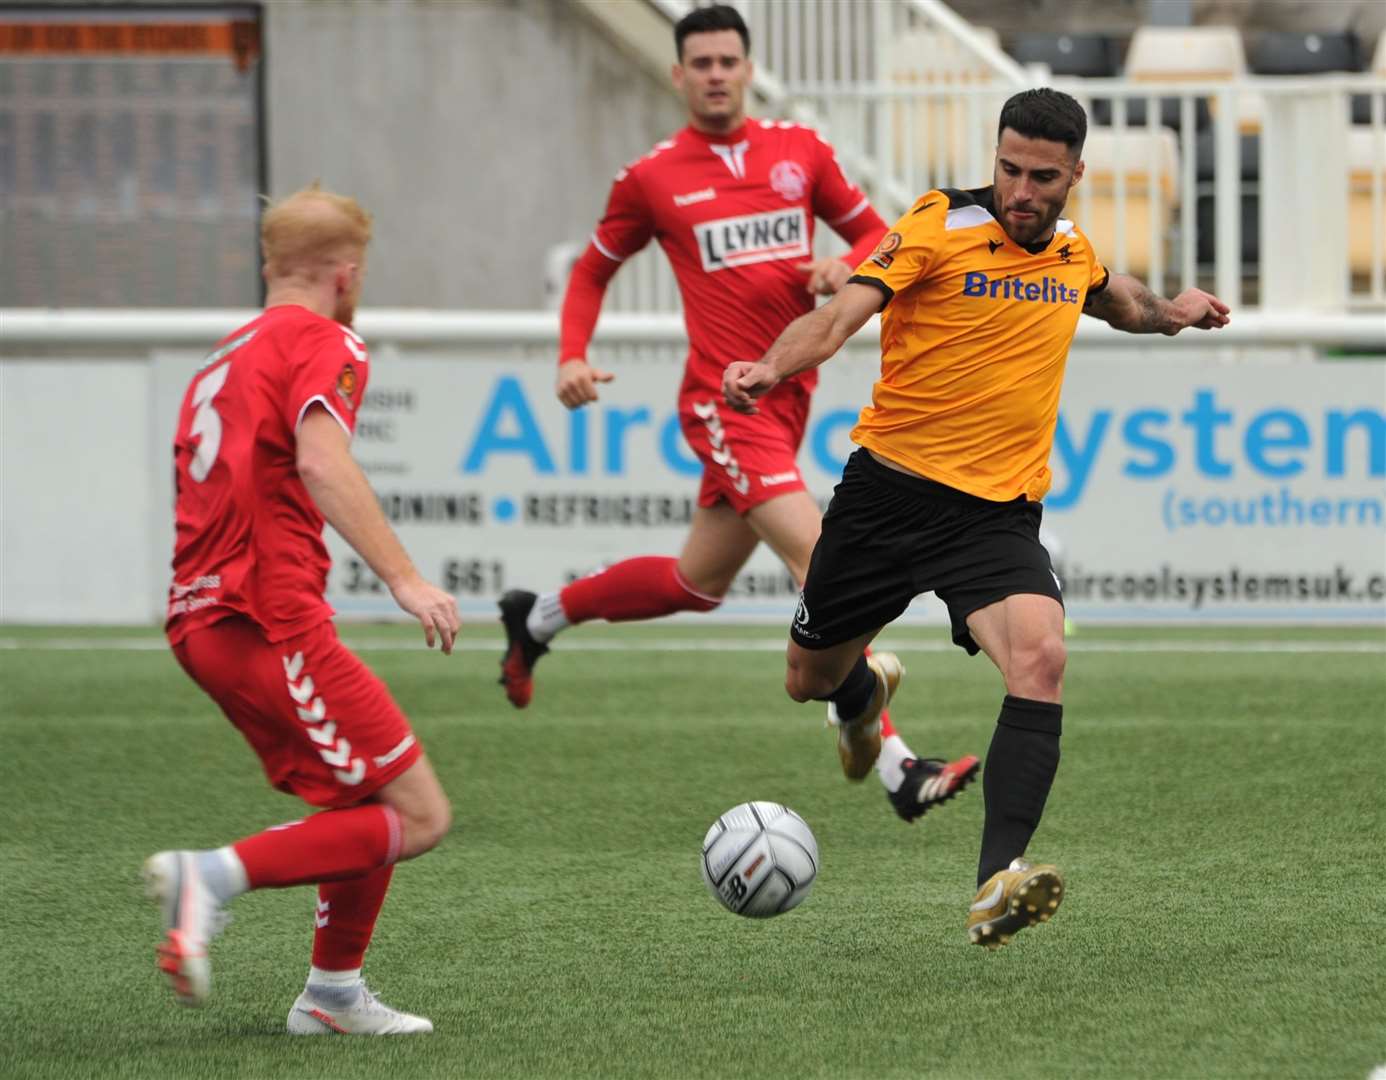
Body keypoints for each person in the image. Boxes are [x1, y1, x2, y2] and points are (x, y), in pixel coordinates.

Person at [723, 88, 1230, 948]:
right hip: (887, 499)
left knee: (1042, 657)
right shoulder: (936, 223)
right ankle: (858, 696)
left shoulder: (1071, 250)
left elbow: (1118, 300)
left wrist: (1173, 314)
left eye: (1040, 176)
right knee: (807, 677)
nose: (1020, 190)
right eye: (1007, 170)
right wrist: (772, 365)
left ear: (1075, 174)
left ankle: (997, 881)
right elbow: (843, 312)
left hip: (994, 519)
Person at [497, 3, 979, 820]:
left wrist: (844, 264)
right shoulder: (652, 177)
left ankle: (535, 617)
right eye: (702, 63)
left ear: (748, 69)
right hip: (724, 403)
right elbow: (588, 272)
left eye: (729, 60)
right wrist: (572, 354)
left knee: (696, 583)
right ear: (679, 74)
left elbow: (882, 240)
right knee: (825, 563)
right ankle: (897, 766)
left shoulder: (800, 152)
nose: (717, 74)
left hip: (787, 397)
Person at [146, 184, 461, 1033]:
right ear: (347, 274)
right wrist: (405, 578)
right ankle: (210, 876)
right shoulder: (326, 339)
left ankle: (332, 996)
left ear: (269, 266)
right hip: (268, 619)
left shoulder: (221, 357)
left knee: (364, 803)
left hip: (202, 618)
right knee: (418, 814)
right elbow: (324, 463)